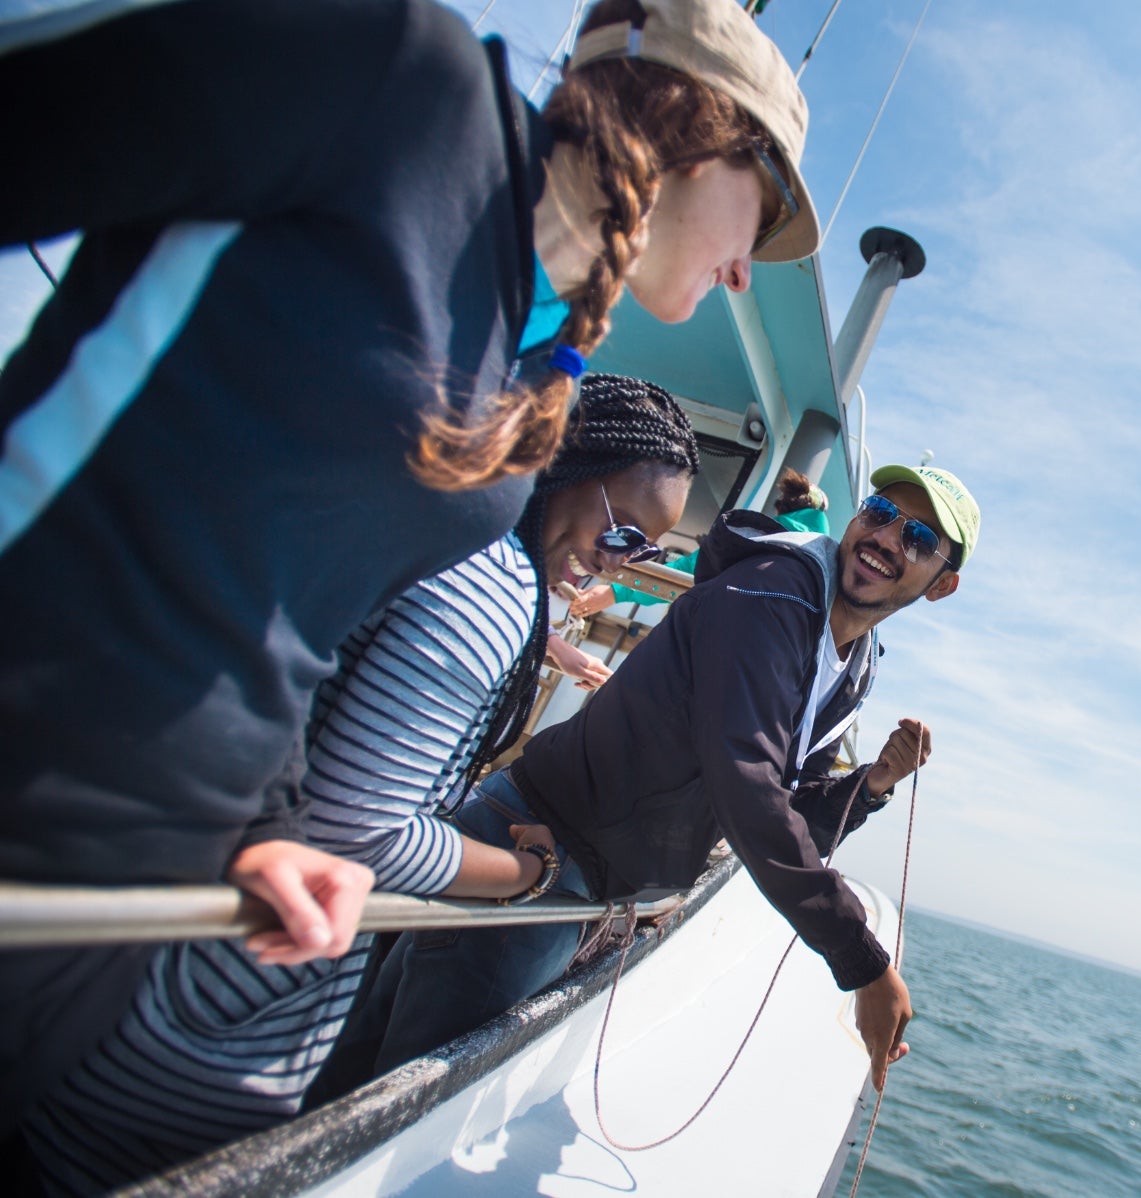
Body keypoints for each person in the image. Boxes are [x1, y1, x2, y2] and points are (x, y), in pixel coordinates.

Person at [0, 0, 823, 1135]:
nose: (746, 271)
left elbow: (313, 613)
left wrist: (282, 824)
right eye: (767, 208)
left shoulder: (524, 357)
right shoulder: (398, 80)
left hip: (137, 888)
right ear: (703, 126)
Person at [20, 375, 701, 1192]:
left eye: (645, 551)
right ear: (564, 463)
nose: (617, 560)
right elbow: (361, 835)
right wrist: (529, 874)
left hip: (143, 976)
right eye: (622, 529)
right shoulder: (488, 594)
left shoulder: (436, 528)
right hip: (217, 1011)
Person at [328, 464, 980, 1095]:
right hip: (538, 856)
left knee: (366, 1073)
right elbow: (746, 787)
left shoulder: (855, 663)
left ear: (941, 583)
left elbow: (788, 810)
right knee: (391, 1102)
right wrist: (862, 962)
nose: (887, 538)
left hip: (592, 887)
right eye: (882, 512)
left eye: (918, 538)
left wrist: (869, 787)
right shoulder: (774, 592)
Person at [575, 464, 830, 614]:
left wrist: (615, 592)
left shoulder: (760, 537)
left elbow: (689, 571)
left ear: (783, 509)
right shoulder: (823, 571)